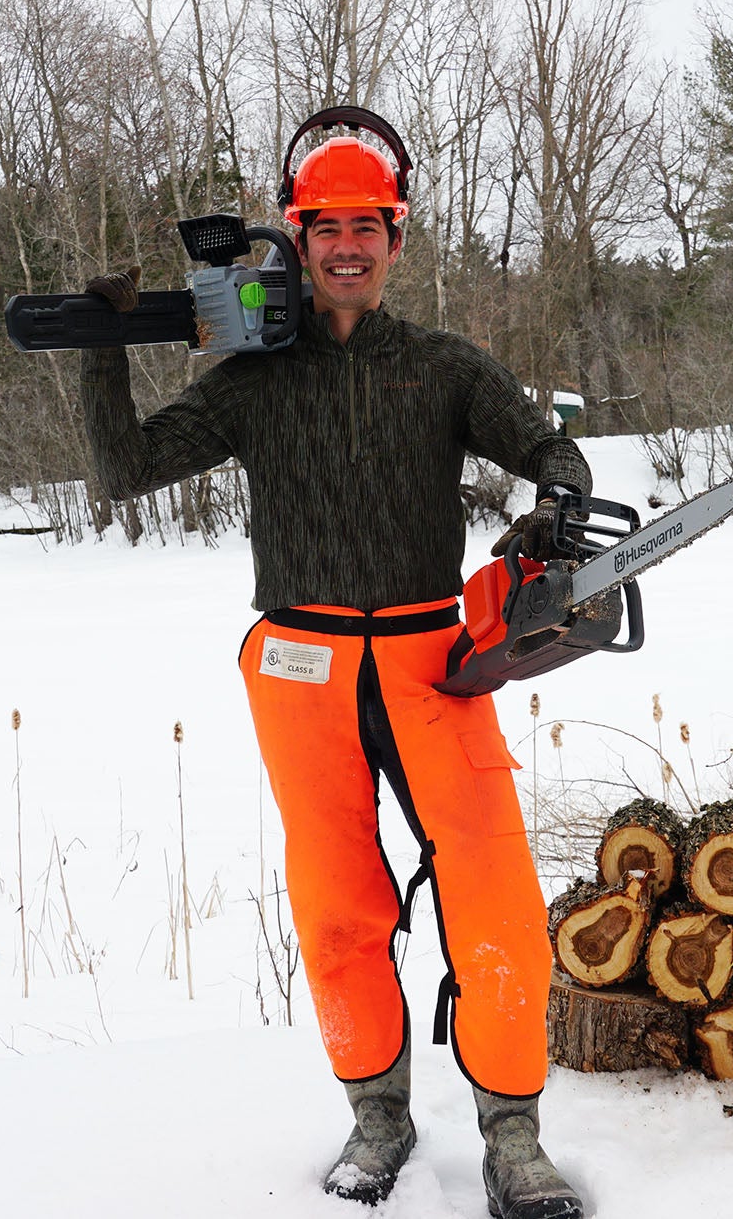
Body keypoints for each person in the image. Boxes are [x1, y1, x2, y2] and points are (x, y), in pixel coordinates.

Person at [77, 111, 588, 1219]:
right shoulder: (253, 376)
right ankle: (377, 1113)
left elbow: (549, 444)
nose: (347, 246)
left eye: (368, 227)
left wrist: (555, 500)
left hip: (430, 660)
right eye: (326, 228)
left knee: (493, 887)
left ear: (396, 239)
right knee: (336, 903)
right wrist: (104, 349)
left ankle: (511, 1133)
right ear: (296, 240)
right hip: (299, 662)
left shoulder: (446, 367)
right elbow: (123, 471)